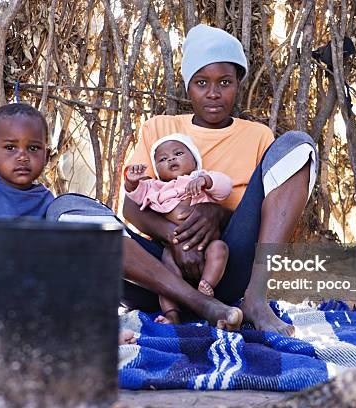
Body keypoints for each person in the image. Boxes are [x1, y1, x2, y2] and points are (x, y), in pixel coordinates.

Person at [121, 24, 318, 335]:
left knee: (298, 145)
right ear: (188, 87)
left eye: (225, 82)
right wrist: (179, 237)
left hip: (229, 267)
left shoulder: (257, 136)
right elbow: (130, 208)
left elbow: (257, 213)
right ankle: (199, 305)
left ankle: (255, 299)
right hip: (161, 272)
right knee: (74, 211)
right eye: (201, 83)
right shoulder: (159, 128)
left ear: (238, 84)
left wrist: (219, 213)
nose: (213, 93)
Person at [125, 133, 232, 324]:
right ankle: (171, 314)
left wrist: (206, 181)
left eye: (178, 153)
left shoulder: (198, 178)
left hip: (205, 242)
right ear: (157, 169)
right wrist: (132, 182)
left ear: (195, 159)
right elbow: (135, 196)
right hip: (171, 248)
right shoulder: (155, 187)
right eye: (163, 159)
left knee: (219, 249)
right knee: (166, 270)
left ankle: (206, 287)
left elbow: (225, 187)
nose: (171, 159)